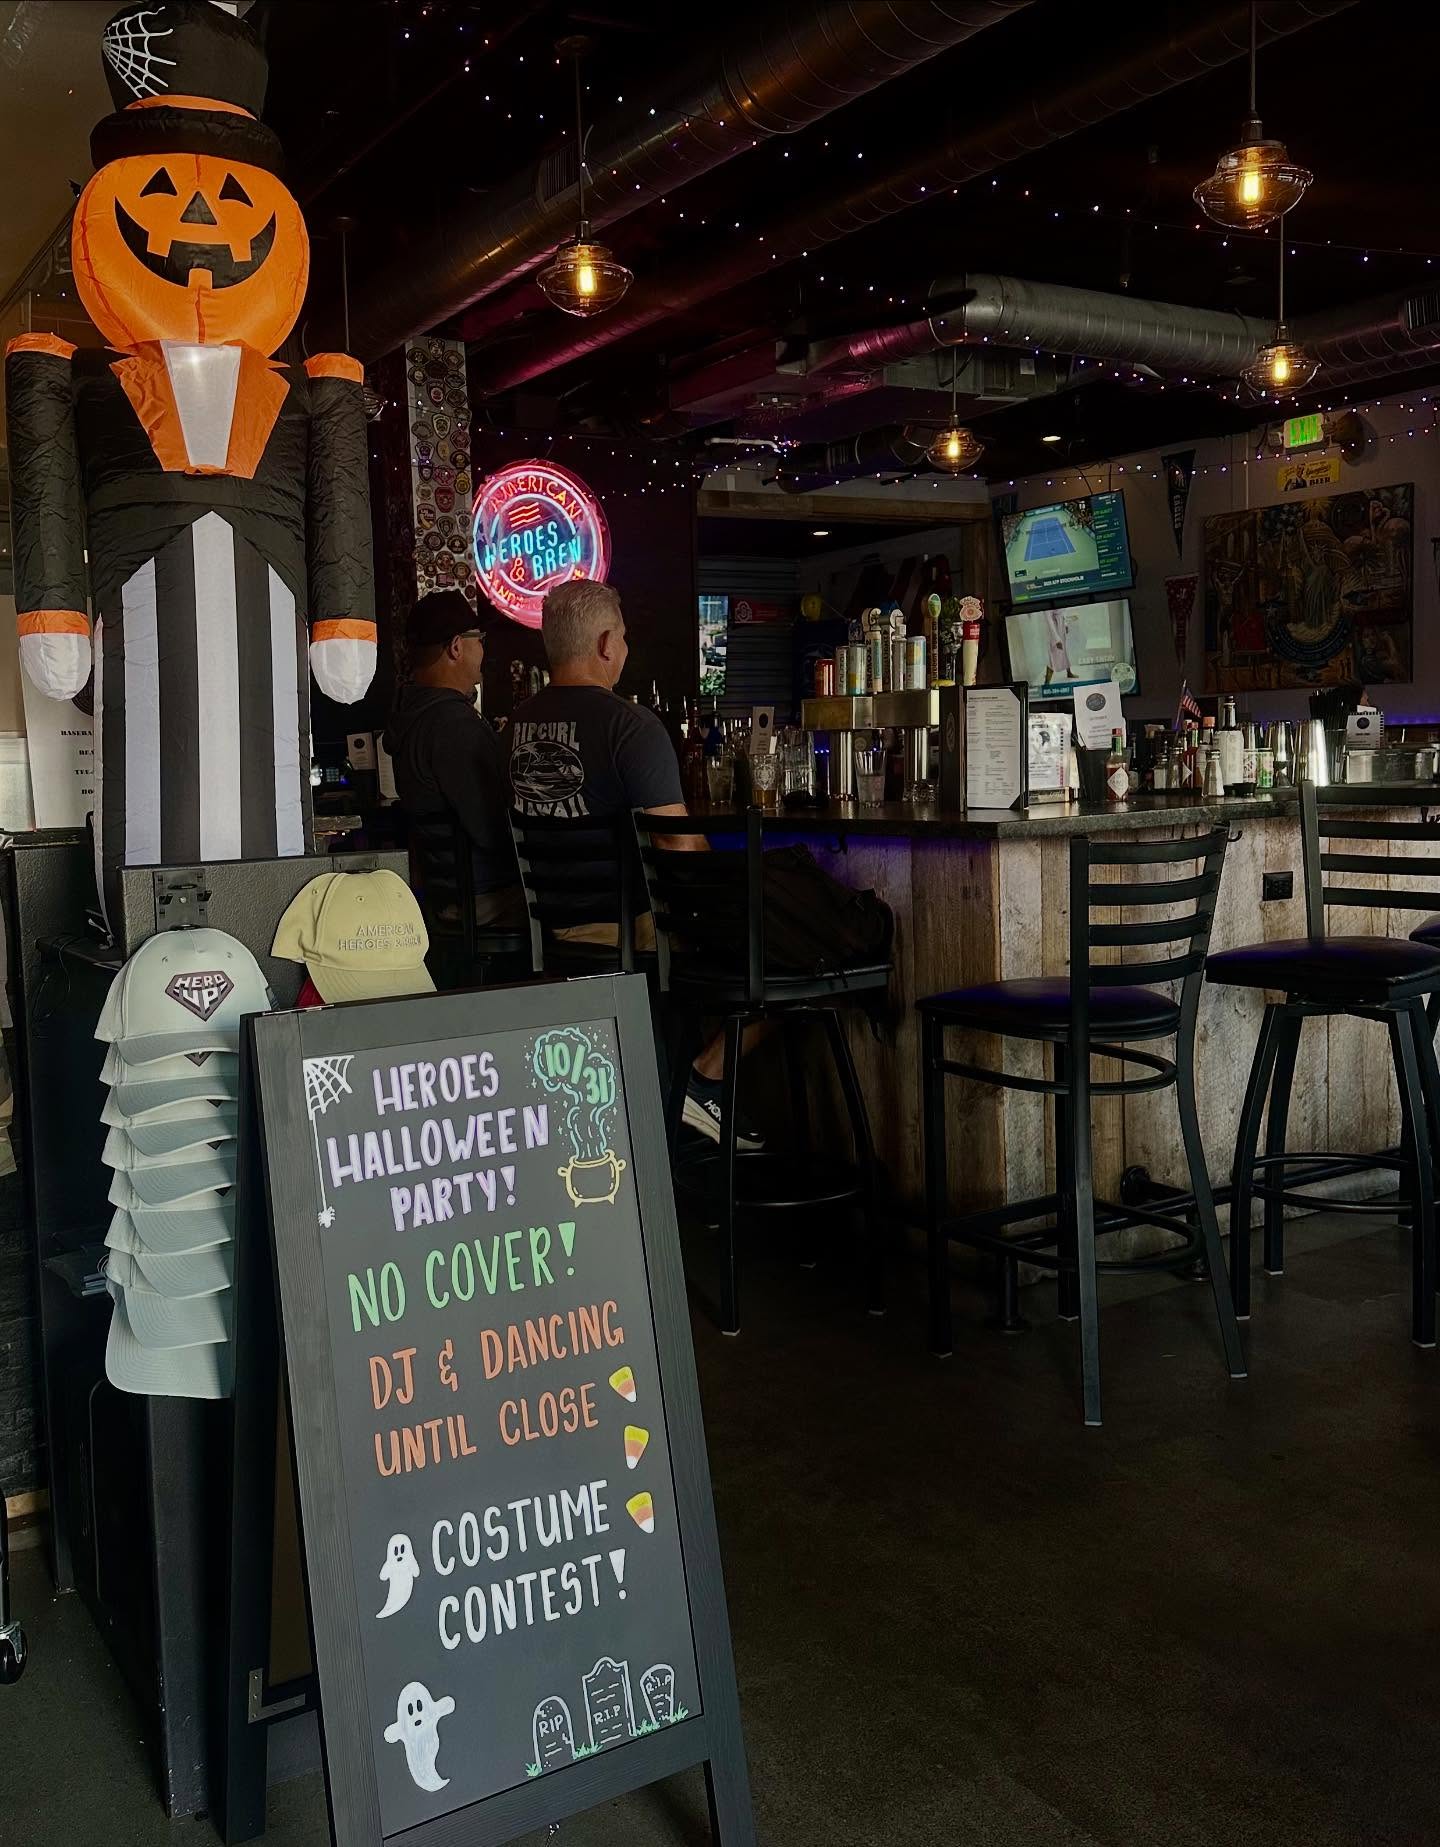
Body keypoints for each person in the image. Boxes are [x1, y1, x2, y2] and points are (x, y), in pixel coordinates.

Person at [509, 580, 762, 1147]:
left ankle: (677, 1097)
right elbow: (680, 851)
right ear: (604, 644)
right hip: (631, 934)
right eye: (623, 638)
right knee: (779, 949)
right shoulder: (632, 726)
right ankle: (702, 1083)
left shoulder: (512, 730)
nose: (625, 650)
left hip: (552, 932)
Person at [384, 590, 524, 928]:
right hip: (485, 900)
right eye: (481, 640)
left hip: (444, 896)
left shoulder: (410, 718)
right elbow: (496, 831)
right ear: (457, 646)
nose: (483, 651)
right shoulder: (454, 726)